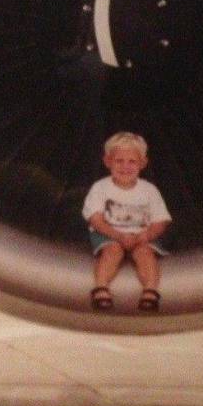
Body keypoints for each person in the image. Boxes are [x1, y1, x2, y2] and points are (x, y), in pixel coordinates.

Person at [82, 132, 171, 312]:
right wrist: (118, 236)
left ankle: (150, 291)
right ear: (107, 162)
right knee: (112, 251)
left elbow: (160, 221)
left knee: (145, 254)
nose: (125, 167)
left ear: (143, 163)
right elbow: (95, 219)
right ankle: (101, 287)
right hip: (108, 233)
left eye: (132, 162)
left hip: (142, 234)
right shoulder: (100, 187)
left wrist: (144, 236)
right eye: (119, 161)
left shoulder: (149, 190)